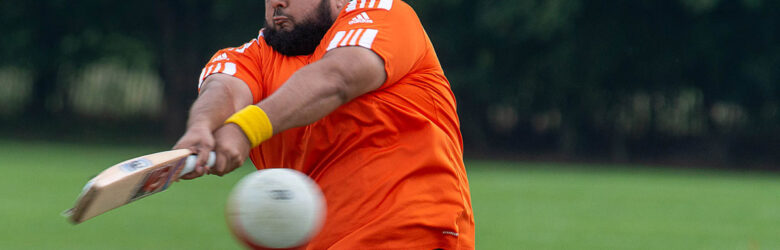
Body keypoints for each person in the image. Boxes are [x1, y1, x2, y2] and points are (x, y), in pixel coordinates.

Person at [173, 0, 474, 248]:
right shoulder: (248, 57)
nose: (277, 3)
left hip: (412, 235)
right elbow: (223, 89)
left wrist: (244, 129)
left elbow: (336, 78)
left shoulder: (385, 15)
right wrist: (201, 127)